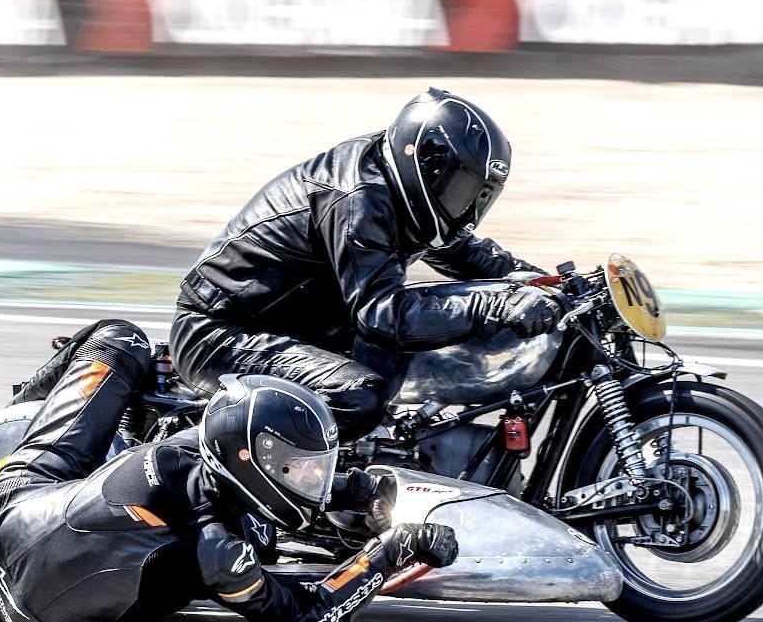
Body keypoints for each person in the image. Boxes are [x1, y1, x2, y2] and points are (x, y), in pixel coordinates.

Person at [0, 319, 458, 622]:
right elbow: (309, 619)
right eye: (301, 466)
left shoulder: (199, 448)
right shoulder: (219, 552)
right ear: (248, 459)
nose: (314, 477)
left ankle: (41, 418)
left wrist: (354, 488)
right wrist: (392, 549)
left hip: (14, 500)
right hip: (35, 614)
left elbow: (248, 469)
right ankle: (12, 423)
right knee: (258, 538)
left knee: (120, 339)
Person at [171, 87, 562, 442]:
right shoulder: (359, 198)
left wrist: (542, 283)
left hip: (301, 329)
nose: (466, 208)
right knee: (356, 396)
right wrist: (494, 306)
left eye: (479, 197)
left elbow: (463, 251)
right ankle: (245, 475)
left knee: (422, 355)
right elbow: (383, 316)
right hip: (222, 334)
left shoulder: (400, 189)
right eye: (461, 191)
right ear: (425, 165)